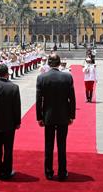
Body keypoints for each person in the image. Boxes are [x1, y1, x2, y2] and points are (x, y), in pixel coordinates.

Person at [36, 53, 76, 181]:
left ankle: (48, 172)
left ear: (48, 63)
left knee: (48, 144)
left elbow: (39, 100)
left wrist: (39, 117)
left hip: (48, 116)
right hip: (63, 115)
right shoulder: (67, 77)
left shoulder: (42, 78)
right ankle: (62, 172)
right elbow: (72, 99)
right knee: (62, 144)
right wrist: (71, 116)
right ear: (59, 64)